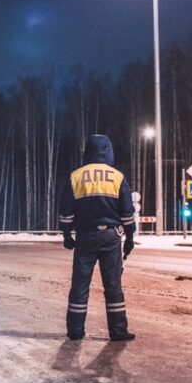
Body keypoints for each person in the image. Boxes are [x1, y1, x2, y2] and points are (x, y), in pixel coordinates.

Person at [58, 134, 136, 341]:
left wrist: (67, 235)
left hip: (85, 237)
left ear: (87, 151)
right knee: (113, 286)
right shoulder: (117, 177)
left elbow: (66, 212)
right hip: (111, 237)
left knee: (80, 286)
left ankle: (75, 331)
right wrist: (130, 237)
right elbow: (127, 213)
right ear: (109, 151)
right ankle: (118, 331)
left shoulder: (76, 177)